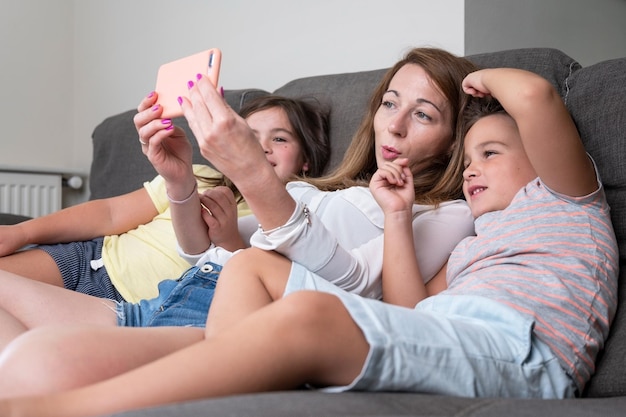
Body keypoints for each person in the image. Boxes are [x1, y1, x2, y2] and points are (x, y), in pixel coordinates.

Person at [0, 63, 619, 416]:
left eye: (427, 114)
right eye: (390, 102)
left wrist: (477, 83)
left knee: (309, 314)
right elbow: (410, 313)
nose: (478, 167)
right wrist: (182, 183)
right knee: (35, 360)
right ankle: (223, 372)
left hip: (508, 347)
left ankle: (69, 410)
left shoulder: (552, 202)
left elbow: (535, 97)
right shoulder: (470, 240)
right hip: (214, 298)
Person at [0, 95, 330, 303]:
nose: (262, 147)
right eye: (249, 136)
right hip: (90, 258)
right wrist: (23, 232)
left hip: (131, 309)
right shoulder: (199, 175)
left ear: (305, 160)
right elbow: (111, 213)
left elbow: (246, 286)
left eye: (281, 138)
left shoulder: (292, 219)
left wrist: (229, 239)